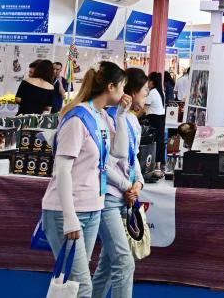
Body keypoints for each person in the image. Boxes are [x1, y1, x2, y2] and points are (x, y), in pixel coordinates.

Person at [41, 62, 130, 298]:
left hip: (92, 208)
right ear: (110, 87)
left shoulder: (101, 116)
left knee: (77, 284)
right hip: (67, 210)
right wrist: (69, 218)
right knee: (81, 287)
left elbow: (119, 153)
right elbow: (62, 169)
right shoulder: (77, 118)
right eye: (122, 87)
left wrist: (121, 116)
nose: (124, 93)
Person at [91, 67, 147, 298]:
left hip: (124, 197)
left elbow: (133, 158)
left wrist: (138, 183)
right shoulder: (106, 118)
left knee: (107, 265)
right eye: (144, 90)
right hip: (108, 197)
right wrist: (126, 186)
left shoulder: (131, 120)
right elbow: (104, 163)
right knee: (124, 263)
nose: (147, 95)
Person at [145, 72, 167, 179]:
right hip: (161, 119)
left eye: (148, 81)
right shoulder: (161, 92)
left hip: (154, 119)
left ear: (152, 82)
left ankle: (152, 166)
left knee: (153, 142)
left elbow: (144, 108)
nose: (147, 83)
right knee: (160, 141)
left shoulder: (152, 92)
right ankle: (158, 165)